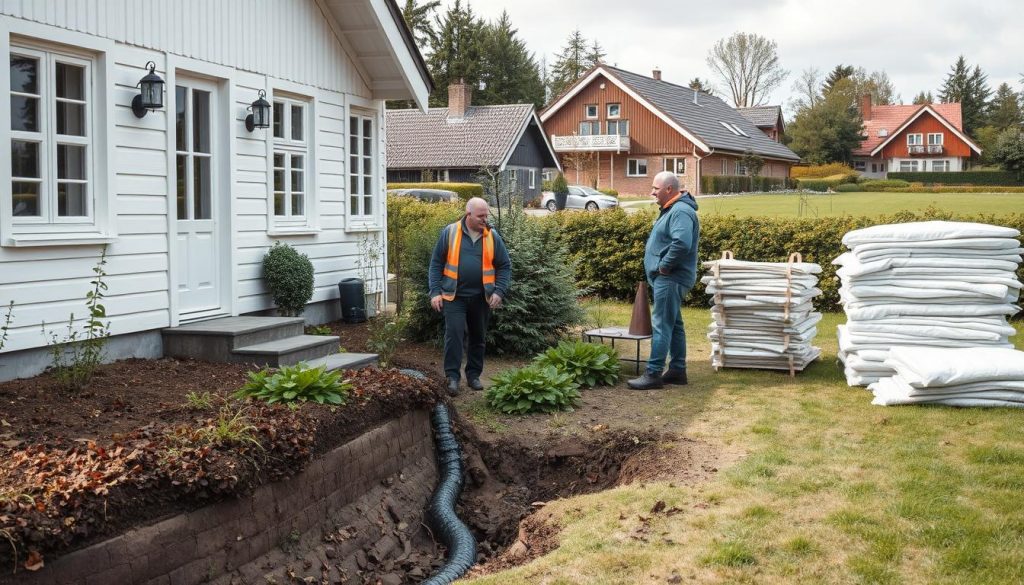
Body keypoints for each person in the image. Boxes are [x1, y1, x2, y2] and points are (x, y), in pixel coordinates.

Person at [429, 197, 512, 395]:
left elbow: (505, 265)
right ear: (468, 215)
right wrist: (435, 292)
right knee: (454, 335)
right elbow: (436, 264)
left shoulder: (492, 236)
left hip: (481, 297)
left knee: (478, 337)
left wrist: (499, 291)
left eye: (486, 215)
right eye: (480, 216)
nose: (485, 219)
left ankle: (473, 375)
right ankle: (452, 377)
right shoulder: (450, 232)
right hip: (454, 296)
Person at [627, 171, 700, 390]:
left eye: (655, 189)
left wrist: (664, 266)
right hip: (668, 278)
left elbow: (681, 243)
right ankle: (677, 371)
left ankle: (653, 373)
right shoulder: (673, 209)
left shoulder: (680, 211)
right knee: (674, 324)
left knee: (661, 325)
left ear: (669, 189)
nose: (652, 193)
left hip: (670, 278)